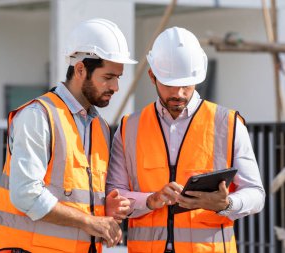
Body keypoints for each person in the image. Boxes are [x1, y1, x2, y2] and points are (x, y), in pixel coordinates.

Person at [106, 26, 265, 253]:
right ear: (152, 76)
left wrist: (226, 204)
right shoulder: (128, 127)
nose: (179, 93)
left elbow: (256, 195)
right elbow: (114, 194)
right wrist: (151, 199)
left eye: (186, 84)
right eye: (170, 84)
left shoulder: (228, 123)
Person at [0, 18, 136, 253]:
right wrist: (91, 221)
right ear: (80, 69)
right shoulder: (38, 116)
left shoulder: (99, 126)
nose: (115, 87)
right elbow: (26, 195)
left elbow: (77, 197)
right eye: (108, 77)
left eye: (117, 78)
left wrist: (102, 209)